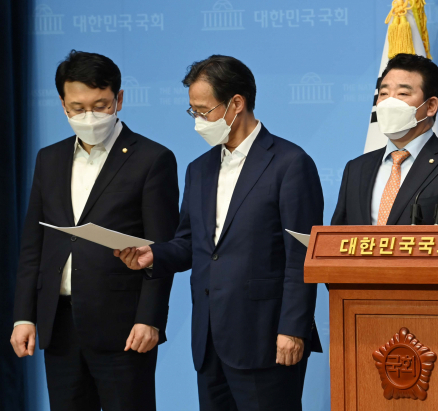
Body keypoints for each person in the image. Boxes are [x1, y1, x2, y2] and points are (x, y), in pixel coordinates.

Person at [115, 55, 323, 411]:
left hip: (266, 339)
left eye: (203, 111)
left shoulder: (290, 163)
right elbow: (190, 243)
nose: (198, 121)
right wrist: (154, 255)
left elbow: (300, 256)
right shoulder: (199, 169)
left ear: (236, 104)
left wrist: (293, 328)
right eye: (192, 112)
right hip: (209, 340)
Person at [10, 50, 179, 411]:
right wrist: (24, 315)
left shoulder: (152, 159)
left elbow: (161, 249)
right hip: (59, 325)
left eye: (100, 106)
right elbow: (33, 244)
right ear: (62, 104)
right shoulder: (48, 159)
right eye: (78, 107)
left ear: (119, 99)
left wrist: (150, 319)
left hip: (123, 328)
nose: (89, 116)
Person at [332, 53, 438, 226]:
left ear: (431, 106)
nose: (389, 102)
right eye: (383, 93)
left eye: (402, 93)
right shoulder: (356, 169)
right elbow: (337, 235)